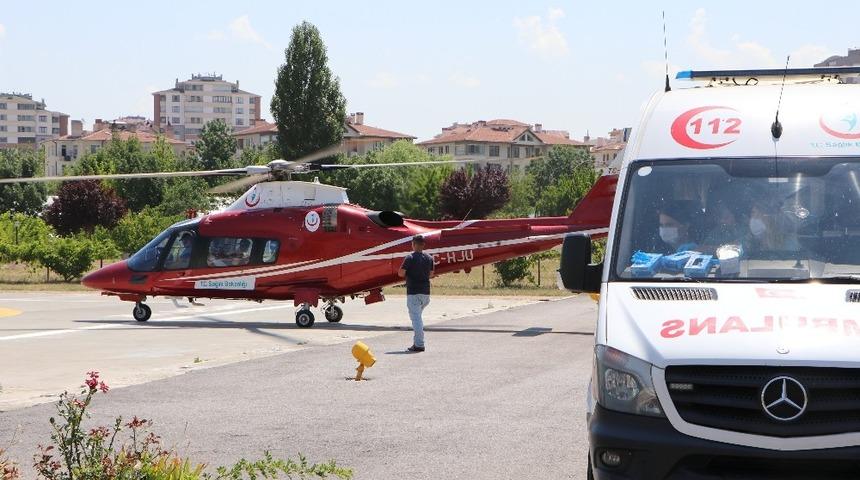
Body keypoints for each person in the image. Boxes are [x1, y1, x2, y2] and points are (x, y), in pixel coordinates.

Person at [398, 235, 434, 353]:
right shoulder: (429, 258)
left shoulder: (409, 257)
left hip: (414, 292)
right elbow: (431, 274)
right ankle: (416, 343)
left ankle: (419, 345)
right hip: (426, 293)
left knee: (416, 320)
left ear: (413, 244)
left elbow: (401, 273)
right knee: (418, 318)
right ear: (423, 245)